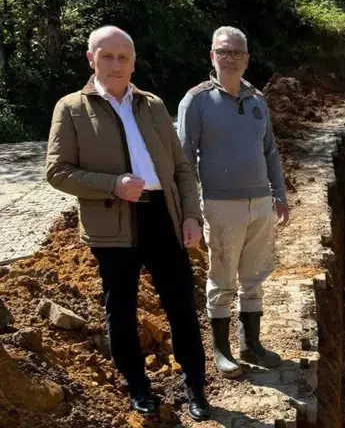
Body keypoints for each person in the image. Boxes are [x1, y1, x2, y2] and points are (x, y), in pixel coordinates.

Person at [45, 26, 211, 420]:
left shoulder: (152, 105)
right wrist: (113, 185)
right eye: (107, 56)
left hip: (163, 217)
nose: (115, 64)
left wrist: (191, 215)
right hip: (112, 224)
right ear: (91, 59)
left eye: (123, 57)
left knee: (182, 307)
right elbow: (57, 171)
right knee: (120, 311)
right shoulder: (70, 109)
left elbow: (182, 169)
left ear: (134, 62)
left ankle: (196, 387)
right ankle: (138, 387)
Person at [177, 26, 289, 378]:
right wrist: (190, 210)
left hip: (260, 203)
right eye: (222, 52)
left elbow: (269, 150)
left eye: (236, 52)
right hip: (220, 205)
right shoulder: (196, 101)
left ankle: (251, 344)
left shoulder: (257, 100)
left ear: (246, 59)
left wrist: (279, 193)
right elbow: (183, 159)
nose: (229, 58)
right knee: (222, 278)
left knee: (254, 276)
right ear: (212, 56)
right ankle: (222, 351)